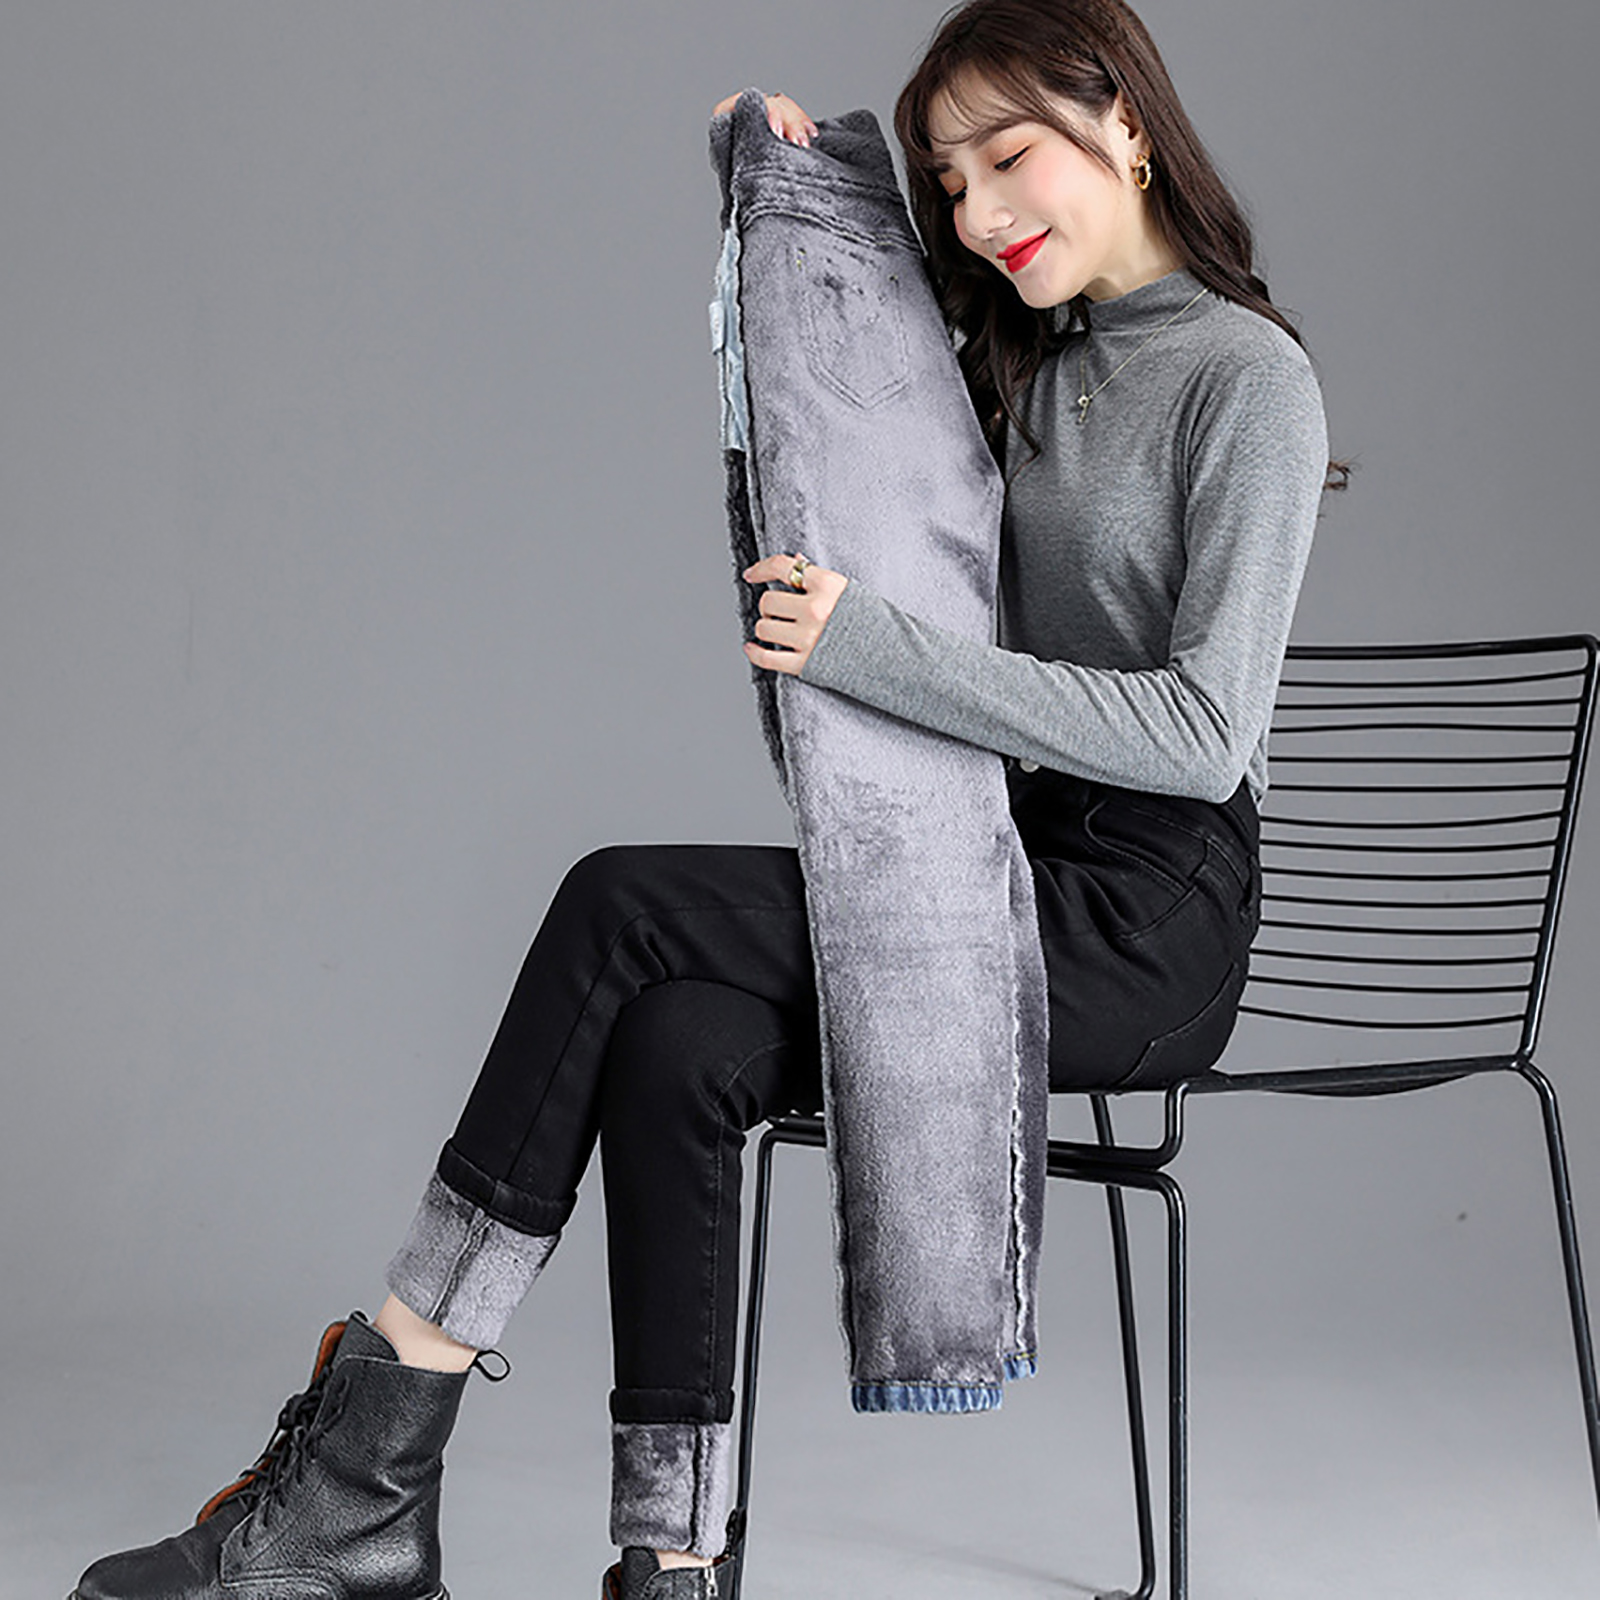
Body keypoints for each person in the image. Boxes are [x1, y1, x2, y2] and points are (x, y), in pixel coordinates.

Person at [68, 2, 1347, 1598]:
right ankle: (669, 1562)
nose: (976, 214)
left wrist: (870, 651)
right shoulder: (1033, 357)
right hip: (1000, 864)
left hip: (1148, 928)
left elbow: (1205, 734)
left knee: (621, 904)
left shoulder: (1249, 381)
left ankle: (360, 1479)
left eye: (1008, 157)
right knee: (677, 1038)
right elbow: (854, 366)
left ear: (1129, 125)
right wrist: (783, 187)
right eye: (950, 182)